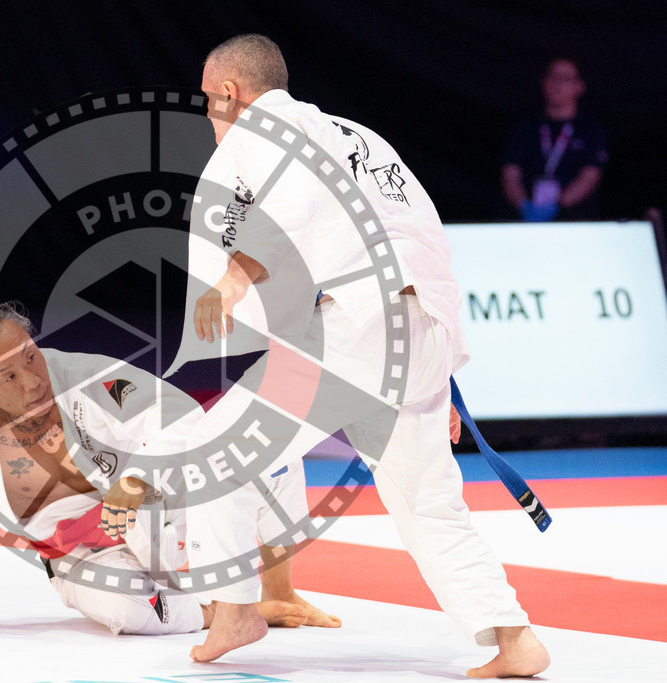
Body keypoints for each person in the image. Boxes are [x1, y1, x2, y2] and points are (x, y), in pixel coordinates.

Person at [169, 34, 550, 678]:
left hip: (360, 327)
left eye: (209, 100)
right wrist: (438, 373)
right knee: (429, 505)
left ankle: (234, 608)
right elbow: (423, 237)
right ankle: (513, 637)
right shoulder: (360, 138)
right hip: (418, 328)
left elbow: (292, 202)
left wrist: (235, 276)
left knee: (216, 449)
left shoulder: (263, 129)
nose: (210, 114)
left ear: (230, 93)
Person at [0, 300, 338, 635]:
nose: (32, 380)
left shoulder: (83, 374)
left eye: (30, 356)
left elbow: (180, 415)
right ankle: (218, 612)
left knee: (266, 454)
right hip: (80, 553)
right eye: (9, 375)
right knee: (125, 609)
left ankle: (281, 590)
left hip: (150, 508)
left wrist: (139, 476)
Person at [502, 57, 609, 222]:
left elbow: (589, 177)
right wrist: (523, 205)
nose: (557, 84)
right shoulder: (524, 128)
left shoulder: (590, 130)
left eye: (565, 78)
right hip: (526, 219)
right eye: (553, 77)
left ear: (579, 86)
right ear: (543, 82)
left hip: (576, 220)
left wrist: (558, 207)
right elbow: (510, 173)